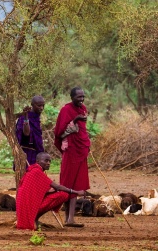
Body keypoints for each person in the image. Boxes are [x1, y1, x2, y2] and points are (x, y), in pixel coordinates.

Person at [16, 152, 85, 230]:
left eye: (49, 161)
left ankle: (35, 218)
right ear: (38, 161)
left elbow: (38, 190)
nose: (48, 163)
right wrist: (76, 192)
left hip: (28, 206)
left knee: (61, 194)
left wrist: (50, 190)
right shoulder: (36, 171)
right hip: (29, 208)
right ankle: (34, 219)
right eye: (46, 161)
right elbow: (57, 187)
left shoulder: (33, 170)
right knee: (63, 194)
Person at [53, 86, 90, 227]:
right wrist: (75, 119)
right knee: (68, 182)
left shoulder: (83, 108)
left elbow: (82, 131)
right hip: (70, 151)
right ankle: (65, 215)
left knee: (77, 183)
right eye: (78, 97)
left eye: (83, 96)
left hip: (81, 150)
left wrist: (87, 143)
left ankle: (70, 219)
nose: (81, 99)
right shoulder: (66, 110)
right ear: (72, 97)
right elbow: (60, 132)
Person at [15, 95, 45, 166]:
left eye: (43, 105)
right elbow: (26, 133)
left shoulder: (36, 117)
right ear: (32, 105)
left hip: (36, 153)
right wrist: (26, 117)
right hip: (27, 153)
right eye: (39, 106)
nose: (42, 108)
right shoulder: (24, 117)